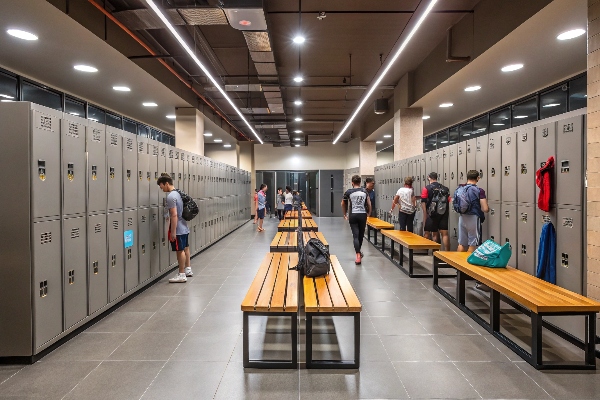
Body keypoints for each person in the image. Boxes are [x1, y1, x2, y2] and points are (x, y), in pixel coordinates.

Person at [157, 173, 192, 283]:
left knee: (179, 250)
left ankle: (181, 274)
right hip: (184, 227)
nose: (161, 188)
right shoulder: (178, 193)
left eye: (161, 185)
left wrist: (173, 232)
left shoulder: (171, 197)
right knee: (186, 248)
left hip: (178, 228)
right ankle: (188, 269)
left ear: (166, 183)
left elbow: (174, 215)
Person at [341, 175, 372, 265]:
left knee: (355, 235)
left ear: (352, 183)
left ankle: (358, 255)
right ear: (360, 182)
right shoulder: (364, 191)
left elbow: (343, 203)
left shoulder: (348, 192)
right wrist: (369, 213)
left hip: (353, 215)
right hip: (363, 215)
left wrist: (344, 214)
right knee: (361, 235)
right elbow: (369, 204)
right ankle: (359, 252)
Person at [457, 170, 489, 253]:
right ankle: (466, 265)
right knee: (473, 244)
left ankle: (456, 265)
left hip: (462, 218)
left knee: (462, 244)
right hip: (474, 219)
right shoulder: (479, 190)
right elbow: (485, 208)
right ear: (478, 178)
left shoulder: (460, 188)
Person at [421, 172, 451, 251]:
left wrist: (425, 213)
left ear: (429, 177)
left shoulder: (426, 188)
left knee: (429, 233)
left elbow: (423, 201)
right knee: (444, 234)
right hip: (443, 213)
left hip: (432, 213)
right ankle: (447, 253)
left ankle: (429, 251)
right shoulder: (445, 188)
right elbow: (449, 200)